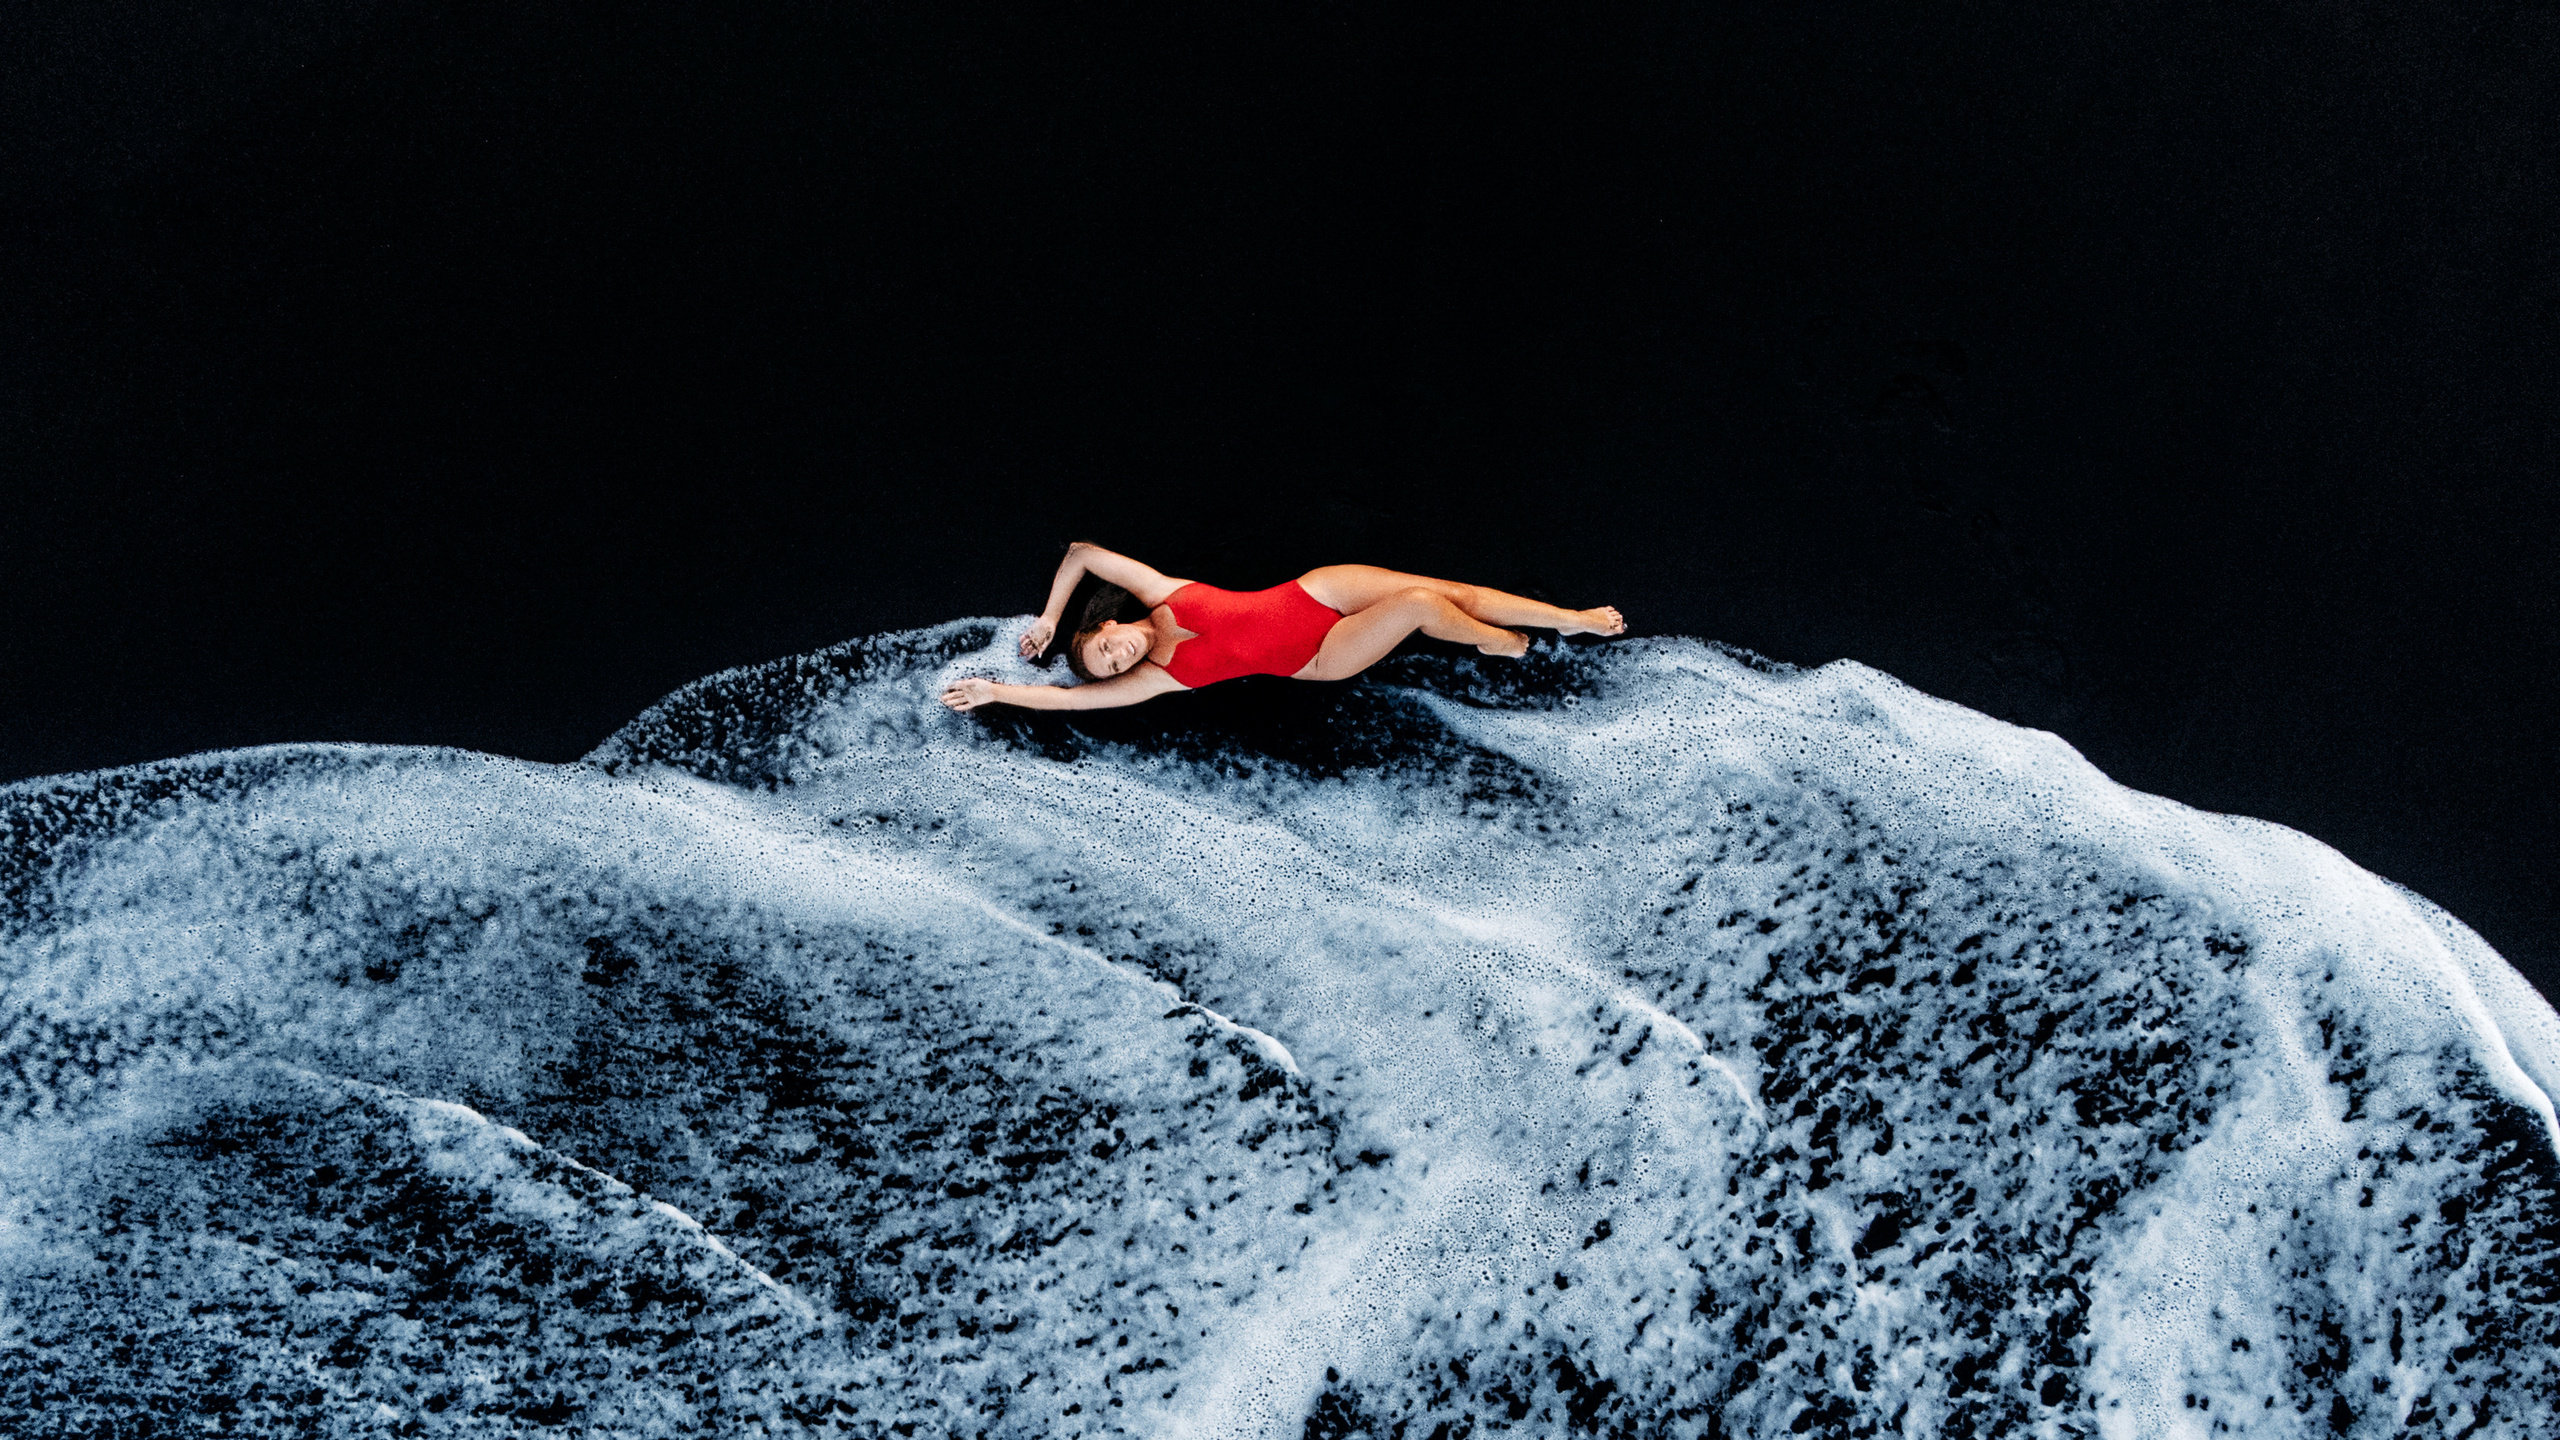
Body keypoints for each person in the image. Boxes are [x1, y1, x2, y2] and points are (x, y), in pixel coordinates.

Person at [939, 542, 1626, 712]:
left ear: (1110, 621)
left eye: (1106, 647)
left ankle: (1574, 621)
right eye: (1114, 667)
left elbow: (1082, 553)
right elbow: (1062, 698)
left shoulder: (1162, 594)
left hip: (1313, 591)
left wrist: (1052, 618)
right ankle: (1499, 640)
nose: (1119, 658)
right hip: (1320, 654)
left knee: (1449, 590)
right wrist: (998, 691)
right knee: (1419, 605)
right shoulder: (1157, 680)